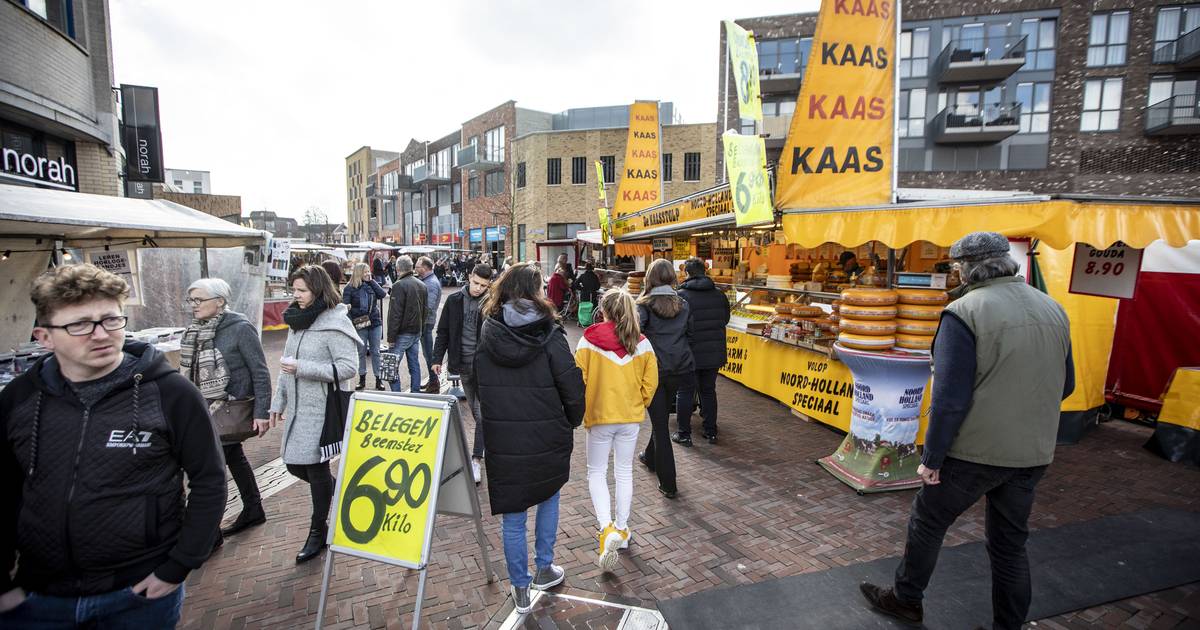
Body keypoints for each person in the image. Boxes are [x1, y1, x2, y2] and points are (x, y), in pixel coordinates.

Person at [859, 232, 1074, 630]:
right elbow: (1067, 385)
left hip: (974, 452)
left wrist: (931, 458)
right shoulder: (1053, 308)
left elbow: (950, 399)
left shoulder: (964, 312)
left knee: (928, 521)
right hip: (1033, 452)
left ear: (966, 269)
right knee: (1010, 546)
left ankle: (906, 599)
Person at [0, 264, 225, 627]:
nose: (101, 334)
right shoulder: (19, 399)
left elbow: (210, 479)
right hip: (38, 596)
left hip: (138, 594)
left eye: (111, 320)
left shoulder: (171, 393)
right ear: (44, 337)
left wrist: (178, 566)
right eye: (80, 325)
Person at [474, 263, 585, 614]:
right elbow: (570, 383)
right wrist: (573, 419)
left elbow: (478, 385)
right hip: (546, 432)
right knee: (548, 496)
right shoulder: (550, 333)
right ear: (536, 292)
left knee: (513, 514)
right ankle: (544, 567)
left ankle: (520, 587)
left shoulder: (488, 332)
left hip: (504, 438)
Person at [269, 265, 361, 564]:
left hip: (322, 409)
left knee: (315, 467)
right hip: (298, 407)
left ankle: (317, 531)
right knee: (294, 465)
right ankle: (340, 493)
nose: (296, 295)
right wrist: (278, 403)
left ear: (318, 290)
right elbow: (286, 366)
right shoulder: (297, 320)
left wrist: (304, 368)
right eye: (294, 289)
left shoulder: (335, 323)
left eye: (302, 290)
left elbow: (349, 367)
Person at [181, 278, 273, 543]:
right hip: (203, 408)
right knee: (233, 457)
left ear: (220, 301)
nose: (194, 305)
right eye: (191, 300)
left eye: (199, 300)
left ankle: (209, 535)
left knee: (210, 473)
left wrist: (262, 411)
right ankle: (253, 509)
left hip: (228, 408)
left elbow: (260, 371)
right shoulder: (195, 330)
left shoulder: (240, 328)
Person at [574, 290, 657, 571]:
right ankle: (621, 528)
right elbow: (651, 382)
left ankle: (605, 527)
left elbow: (579, 378)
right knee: (624, 471)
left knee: (596, 472)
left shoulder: (588, 340)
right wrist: (640, 402)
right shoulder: (642, 343)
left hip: (599, 416)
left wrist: (585, 405)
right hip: (629, 417)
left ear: (604, 311)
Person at [636, 258, 694, 499]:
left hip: (655, 371)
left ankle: (668, 483)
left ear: (650, 278)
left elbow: (635, 336)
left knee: (660, 426)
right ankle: (650, 457)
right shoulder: (684, 304)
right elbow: (690, 335)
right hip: (680, 368)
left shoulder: (643, 305)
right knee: (660, 420)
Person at [431, 264, 493, 484]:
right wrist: (437, 358)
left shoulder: (491, 303)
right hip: (463, 365)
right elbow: (443, 331)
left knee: (482, 414)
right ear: (469, 277)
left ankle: (476, 459)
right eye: (476, 283)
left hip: (485, 367)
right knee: (478, 414)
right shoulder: (454, 300)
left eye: (483, 285)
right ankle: (486, 445)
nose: (478, 288)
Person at [673, 258, 731, 446]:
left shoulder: (681, 296)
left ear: (687, 273)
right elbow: (725, 319)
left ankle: (684, 434)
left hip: (689, 352)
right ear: (704, 271)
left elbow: (677, 325)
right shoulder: (719, 295)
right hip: (713, 352)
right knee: (708, 390)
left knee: (685, 391)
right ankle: (710, 432)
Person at [343, 262, 388, 391]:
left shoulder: (371, 284)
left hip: (374, 321)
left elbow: (382, 294)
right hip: (359, 323)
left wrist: (372, 281)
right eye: (365, 272)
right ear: (358, 273)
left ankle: (378, 379)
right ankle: (362, 379)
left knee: (376, 351)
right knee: (361, 352)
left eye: (369, 271)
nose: (368, 274)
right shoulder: (349, 288)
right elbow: (345, 306)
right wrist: (354, 318)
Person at [386, 256, 426, 393]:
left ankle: (397, 395)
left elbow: (395, 314)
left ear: (398, 268)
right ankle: (415, 393)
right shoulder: (421, 284)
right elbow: (426, 310)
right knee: (414, 364)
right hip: (416, 330)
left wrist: (391, 338)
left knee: (391, 366)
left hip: (403, 333)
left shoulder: (398, 285)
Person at [415, 256, 442, 393]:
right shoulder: (428, 280)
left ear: (425, 268)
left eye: (417, 266)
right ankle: (432, 380)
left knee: (428, 353)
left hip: (426, 322)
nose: (415, 268)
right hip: (426, 321)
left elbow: (429, 306)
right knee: (427, 353)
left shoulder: (430, 283)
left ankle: (434, 382)